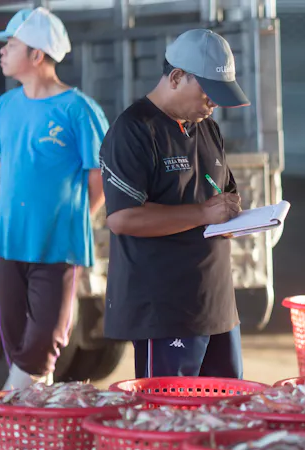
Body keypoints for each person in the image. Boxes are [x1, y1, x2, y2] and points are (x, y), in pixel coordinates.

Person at [0, 7, 109, 390]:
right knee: (14, 342)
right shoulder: (7, 107)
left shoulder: (79, 111)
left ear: (37, 55)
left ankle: (19, 401)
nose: (1, 51)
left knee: (42, 343)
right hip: (9, 243)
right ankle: (30, 414)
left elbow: (101, 179)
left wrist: (73, 222)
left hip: (57, 249)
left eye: (10, 44)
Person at [99, 29, 250, 379]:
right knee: (170, 415)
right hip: (165, 310)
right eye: (208, 92)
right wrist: (203, 214)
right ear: (177, 77)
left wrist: (233, 217)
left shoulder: (208, 129)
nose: (212, 103)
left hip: (218, 306)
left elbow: (223, 195)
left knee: (230, 414)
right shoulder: (134, 129)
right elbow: (122, 217)